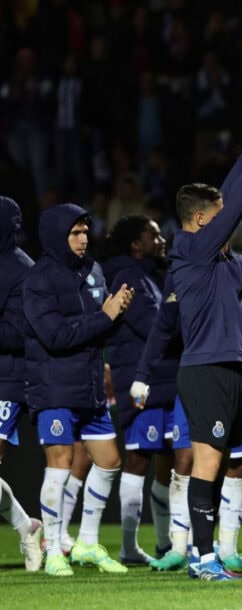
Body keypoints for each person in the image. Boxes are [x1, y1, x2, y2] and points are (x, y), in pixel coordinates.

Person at [156, 106, 242, 581]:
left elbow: (229, 201)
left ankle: (205, 555)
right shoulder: (191, 251)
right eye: (219, 216)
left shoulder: (223, 262)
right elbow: (239, 198)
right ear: (202, 222)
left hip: (226, 366)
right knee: (207, 462)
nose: (229, 221)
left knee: (219, 460)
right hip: (205, 367)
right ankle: (203, 558)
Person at [134, 246, 242, 574]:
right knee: (187, 460)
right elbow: (164, 326)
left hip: (241, 384)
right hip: (202, 379)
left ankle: (227, 549)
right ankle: (181, 547)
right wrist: (143, 375)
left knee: (237, 463)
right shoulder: (186, 271)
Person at [23, 203, 135, 576]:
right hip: (53, 385)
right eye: (75, 233)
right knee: (59, 465)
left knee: (109, 462)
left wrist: (117, 315)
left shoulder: (93, 270)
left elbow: (99, 327)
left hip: (88, 386)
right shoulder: (38, 280)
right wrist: (105, 315)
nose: (83, 239)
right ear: (57, 235)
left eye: (86, 231)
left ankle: (86, 542)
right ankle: (53, 549)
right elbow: (54, 336)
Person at [102, 215, 176, 564]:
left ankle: (165, 544)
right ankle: (128, 546)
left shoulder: (150, 276)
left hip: (163, 379)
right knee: (139, 458)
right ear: (135, 243)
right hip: (142, 380)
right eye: (153, 234)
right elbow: (151, 326)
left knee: (169, 459)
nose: (161, 239)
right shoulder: (127, 277)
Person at [0, 195, 43, 572]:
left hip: (7, 378)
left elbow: (18, 335)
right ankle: (26, 525)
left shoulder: (23, 270)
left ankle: (26, 526)